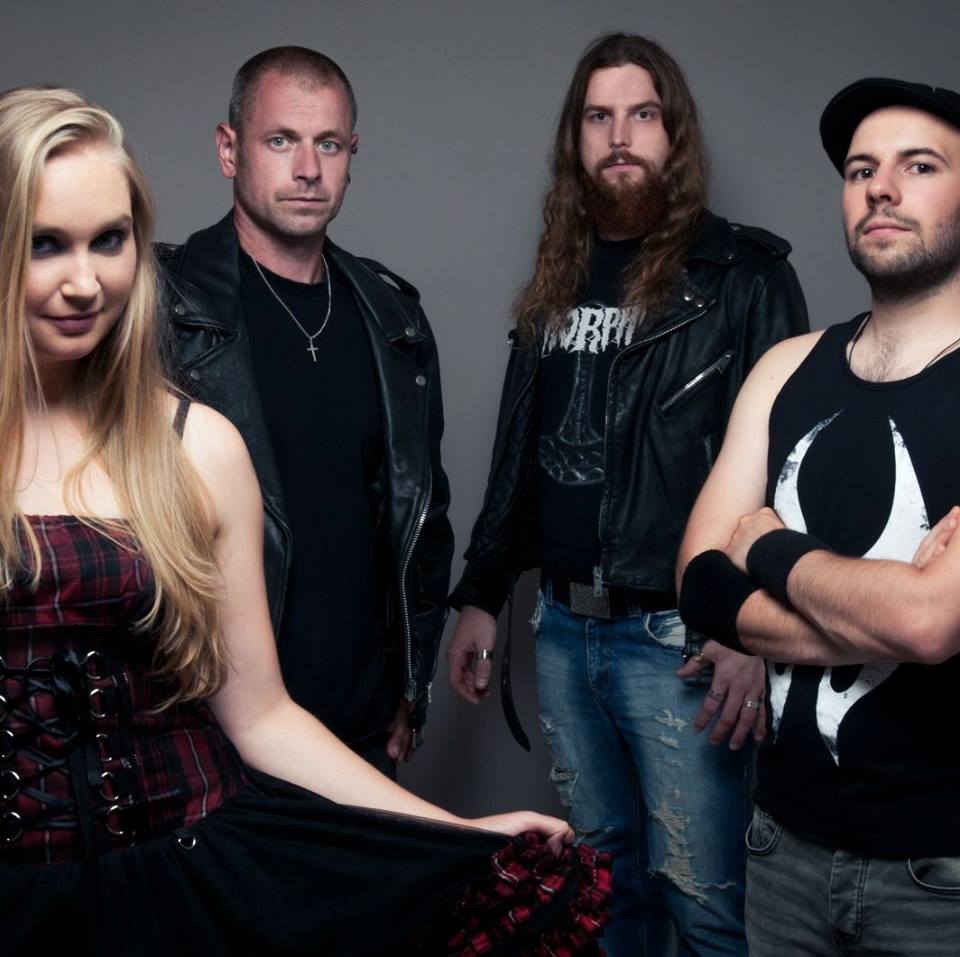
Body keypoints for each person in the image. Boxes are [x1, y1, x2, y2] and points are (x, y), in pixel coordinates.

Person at [0, 85, 612, 957]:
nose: (85, 281)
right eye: (44, 243)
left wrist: (454, 831)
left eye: (110, 239)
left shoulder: (198, 447)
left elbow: (260, 715)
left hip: (184, 884)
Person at [446, 31, 808, 957]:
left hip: (682, 638)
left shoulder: (742, 278)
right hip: (564, 631)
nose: (619, 136)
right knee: (604, 894)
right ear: (574, 140)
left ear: (673, 133)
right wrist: (484, 590)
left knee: (706, 902)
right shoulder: (556, 278)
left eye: (642, 114)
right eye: (598, 117)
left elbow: (787, 468)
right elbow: (518, 449)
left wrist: (748, 626)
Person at [677, 77, 960, 956]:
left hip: (942, 873)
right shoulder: (786, 368)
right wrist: (878, 611)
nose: (881, 188)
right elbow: (697, 581)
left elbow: (929, 622)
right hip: (782, 848)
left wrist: (764, 543)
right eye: (860, 170)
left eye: (920, 166)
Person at [160, 46, 452, 776]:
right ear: (229, 150)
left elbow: (424, 517)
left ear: (352, 154)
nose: (307, 169)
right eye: (280, 140)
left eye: (328, 144)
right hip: (207, 727)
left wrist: (410, 681)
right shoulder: (161, 310)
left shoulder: (395, 320)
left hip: (361, 726)